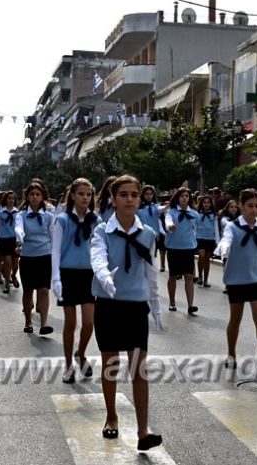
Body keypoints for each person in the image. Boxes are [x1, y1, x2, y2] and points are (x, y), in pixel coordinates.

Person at [90, 174, 163, 451]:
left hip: (135, 307)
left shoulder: (148, 234)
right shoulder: (101, 231)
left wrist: (155, 307)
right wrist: (104, 276)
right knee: (111, 366)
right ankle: (111, 416)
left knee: (139, 369)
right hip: (108, 304)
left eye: (134, 194)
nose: (130, 199)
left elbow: (152, 273)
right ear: (113, 198)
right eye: (124, 194)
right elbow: (97, 256)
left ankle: (143, 431)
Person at [216, 188, 257, 376]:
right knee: (236, 318)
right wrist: (224, 249)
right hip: (236, 280)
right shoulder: (232, 227)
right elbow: (225, 240)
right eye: (250, 206)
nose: (253, 210)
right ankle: (231, 354)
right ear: (241, 206)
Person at [52, 178, 101, 383]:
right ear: (72, 195)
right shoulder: (62, 219)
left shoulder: (96, 221)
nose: (85, 198)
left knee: (89, 322)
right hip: (67, 274)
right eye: (81, 194)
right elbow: (55, 249)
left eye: (88, 194)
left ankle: (80, 354)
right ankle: (68, 366)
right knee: (70, 323)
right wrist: (56, 278)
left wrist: (104, 273)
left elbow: (100, 249)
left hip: (88, 275)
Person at [15, 182, 54, 336]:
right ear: (27, 197)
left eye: (38, 194)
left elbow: (53, 236)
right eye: (32, 194)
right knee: (28, 290)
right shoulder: (21, 215)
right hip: (27, 256)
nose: (35, 197)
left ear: (42, 196)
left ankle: (44, 324)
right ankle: (28, 321)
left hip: (45, 256)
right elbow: (19, 228)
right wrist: (20, 239)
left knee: (44, 290)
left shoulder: (49, 216)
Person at [164, 187, 199, 314]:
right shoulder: (171, 212)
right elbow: (167, 222)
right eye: (182, 196)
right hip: (173, 248)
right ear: (178, 198)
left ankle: (190, 305)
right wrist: (170, 226)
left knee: (189, 276)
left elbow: (197, 229)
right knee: (173, 276)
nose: (185, 198)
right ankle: (172, 302)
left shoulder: (195, 214)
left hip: (188, 248)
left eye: (187, 196)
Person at [0, 191, 20, 294]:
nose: (11, 200)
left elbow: (21, 228)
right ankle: (7, 284)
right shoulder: (0, 213)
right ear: (5, 200)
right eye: (9, 198)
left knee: (15, 264)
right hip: (4, 240)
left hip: (15, 241)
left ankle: (14, 276)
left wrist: (21, 241)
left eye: (13, 198)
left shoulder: (18, 213)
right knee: (7, 261)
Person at [137, 185, 165, 269]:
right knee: (141, 260)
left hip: (153, 237)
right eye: (146, 194)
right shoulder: (138, 208)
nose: (149, 196)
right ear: (143, 195)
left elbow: (162, 209)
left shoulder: (156, 206)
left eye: (151, 194)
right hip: (141, 236)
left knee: (151, 260)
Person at [195, 194, 219, 288]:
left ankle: (206, 280)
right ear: (202, 203)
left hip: (210, 238)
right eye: (204, 202)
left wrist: (217, 240)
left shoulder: (213, 215)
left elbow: (216, 227)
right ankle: (200, 276)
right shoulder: (197, 214)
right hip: (200, 237)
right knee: (201, 256)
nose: (206, 204)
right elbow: (195, 226)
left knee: (207, 259)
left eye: (208, 202)